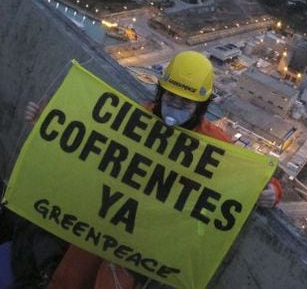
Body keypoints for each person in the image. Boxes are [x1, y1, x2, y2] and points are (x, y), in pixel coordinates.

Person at [24, 51, 282, 288]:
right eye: (171, 97)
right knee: (68, 277)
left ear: (200, 107)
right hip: (106, 217)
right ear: (161, 93)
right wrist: (46, 118)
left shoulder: (214, 142)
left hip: (149, 238)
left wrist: (273, 191)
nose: (175, 106)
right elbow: (92, 136)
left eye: (186, 103)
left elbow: (251, 176)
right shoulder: (139, 116)